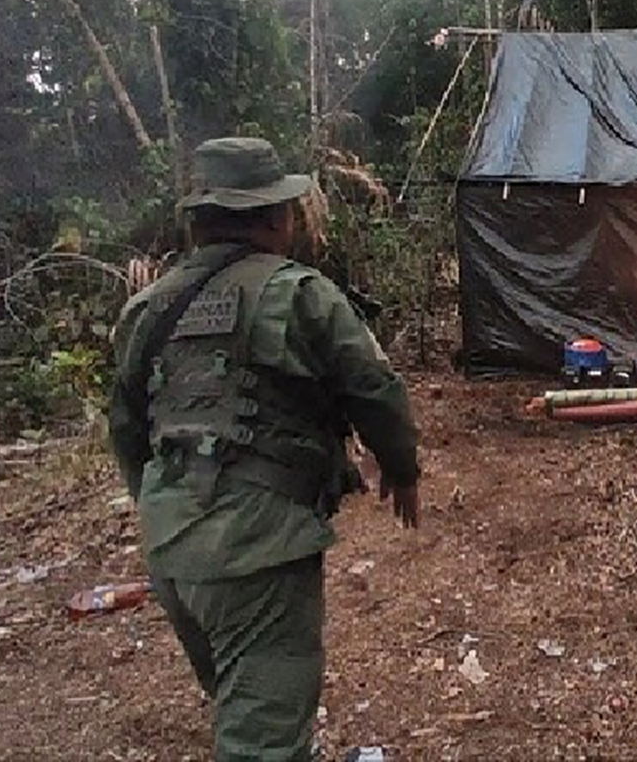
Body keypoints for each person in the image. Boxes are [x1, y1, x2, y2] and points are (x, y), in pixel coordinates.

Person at [107, 136, 421, 761]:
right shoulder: (301, 294)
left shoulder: (146, 309)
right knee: (262, 737)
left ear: (198, 223)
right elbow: (373, 387)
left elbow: (127, 428)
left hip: (172, 552)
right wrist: (401, 468)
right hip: (257, 552)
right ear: (277, 217)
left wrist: (165, 510)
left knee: (243, 700)